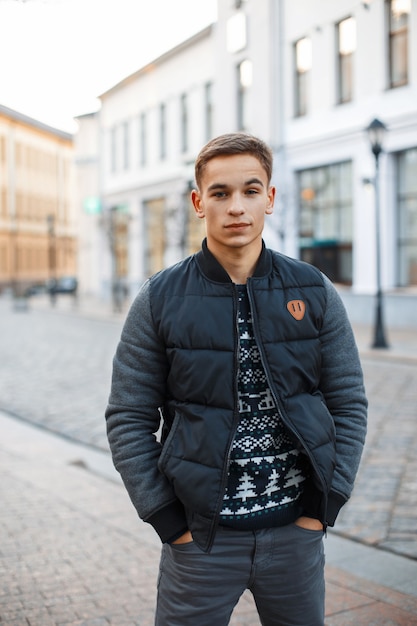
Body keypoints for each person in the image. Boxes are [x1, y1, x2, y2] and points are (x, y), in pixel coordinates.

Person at [105, 132, 368, 626]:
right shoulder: (160, 299)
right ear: (198, 202)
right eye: (220, 193)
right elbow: (127, 417)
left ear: (269, 197)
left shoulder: (313, 290)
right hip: (200, 542)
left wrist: (321, 509)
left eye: (250, 190)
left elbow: (348, 403)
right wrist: (167, 520)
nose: (236, 207)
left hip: (296, 534)